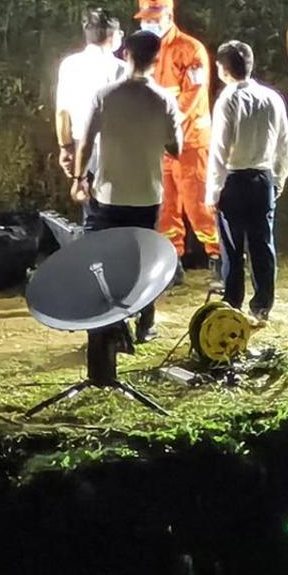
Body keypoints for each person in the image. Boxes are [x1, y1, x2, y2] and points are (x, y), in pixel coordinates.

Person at [70, 31, 182, 343]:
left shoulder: (104, 95)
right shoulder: (165, 100)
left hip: (109, 194)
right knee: (144, 261)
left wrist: (78, 179)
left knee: (103, 260)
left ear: (125, 54)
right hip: (147, 194)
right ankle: (145, 325)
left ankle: (108, 326)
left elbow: (85, 143)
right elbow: (177, 149)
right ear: (157, 59)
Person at [133, 0, 220, 282]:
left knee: (199, 204)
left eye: (154, 19)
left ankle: (219, 257)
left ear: (169, 16)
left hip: (191, 141)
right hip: (158, 143)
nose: (149, 24)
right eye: (145, 19)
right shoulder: (144, 49)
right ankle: (172, 264)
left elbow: (191, 97)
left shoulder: (190, 50)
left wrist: (164, 123)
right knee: (165, 205)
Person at [206, 41, 288, 322]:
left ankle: (232, 302)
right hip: (263, 178)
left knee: (232, 247)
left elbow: (220, 149)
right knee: (262, 245)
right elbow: (284, 143)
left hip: (233, 180)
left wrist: (213, 190)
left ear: (224, 68)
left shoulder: (228, 99)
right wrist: (279, 178)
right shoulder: (272, 98)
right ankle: (263, 304)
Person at [54, 8, 124, 180]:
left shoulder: (69, 65)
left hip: (80, 146)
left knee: (87, 198)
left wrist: (65, 147)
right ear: (113, 35)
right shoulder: (123, 69)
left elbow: (62, 112)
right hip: (118, 149)